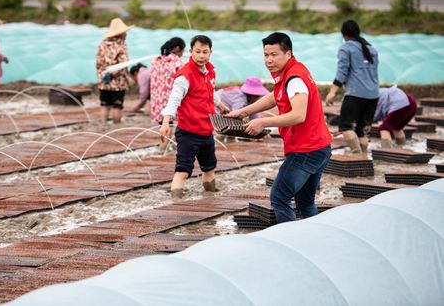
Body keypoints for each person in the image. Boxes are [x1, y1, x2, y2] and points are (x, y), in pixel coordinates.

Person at [227, 32, 332, 223]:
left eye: (274, 55)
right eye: (266, 55)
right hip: (319, 147)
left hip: (306, 150)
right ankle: (316, 239)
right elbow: (275, 96)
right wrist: (244, 112)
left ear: (288, 53)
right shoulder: (288, 72)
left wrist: (262, 122)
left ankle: (289, 241)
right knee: (305, 202)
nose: (269, 60)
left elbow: (298, 115)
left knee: (279, 196)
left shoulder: (295, 79)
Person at [159, 35, 229, 200]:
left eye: (205, 52)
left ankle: (210, 197)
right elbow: (174, 99)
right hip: (188, 132)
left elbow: (210, 93)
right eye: (197, 52)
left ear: (210, 53)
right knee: (183, 171)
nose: (201, 56)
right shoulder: (185, 75)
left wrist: (221, 106)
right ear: (190, 52)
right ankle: (175, 201)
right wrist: (166, 122)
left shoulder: (210, 72)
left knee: (209, 169)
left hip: (206, 131)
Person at [325, 19, 379, 154]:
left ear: (344, 34)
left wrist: (332, 92)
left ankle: (356, 156)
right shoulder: (371, 49)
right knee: (362, 132)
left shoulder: (346, 47)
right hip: (373, 95)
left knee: (345, 127)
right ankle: (365, 158)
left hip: (356, 94)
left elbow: (342, 71)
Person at [96, 18, 134, 124]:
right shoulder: (121, 46)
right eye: (125, 33)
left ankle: (103, 126)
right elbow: (123, 64)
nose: (126, 35)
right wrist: (127, 77)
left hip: (104, 81)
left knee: (104, 105)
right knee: (117, 106)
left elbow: (98, 63)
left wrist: (103, 74)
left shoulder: (102, 45)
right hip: (118, 83)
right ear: (121, 34)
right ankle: (116, 128)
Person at [150, 37, 186, 124]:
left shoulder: (156, 61)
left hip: (158, 102)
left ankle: (165, 137)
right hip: (171, 101)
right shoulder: (177, 63)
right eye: (182, 50)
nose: (182, 53)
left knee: (163, 126)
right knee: (170, 126)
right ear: (177, 48)